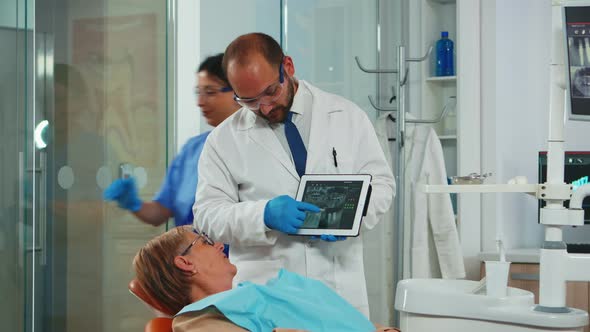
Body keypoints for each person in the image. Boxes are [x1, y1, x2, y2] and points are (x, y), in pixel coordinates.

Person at [193, 33, 395, 315]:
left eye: (270, 93)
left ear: (287, 67)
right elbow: (207, 215)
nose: (264, 107)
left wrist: (352, 215)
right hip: (266, 297)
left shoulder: (346, 116)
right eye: (248, 100)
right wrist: (264, 215)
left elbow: (383, 184)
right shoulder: (223, 140)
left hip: (338, 289)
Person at [133, 226, 400, 332]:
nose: (218, 246)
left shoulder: (257, 296)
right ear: (185, 262)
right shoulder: (200, 321)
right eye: (205, 241)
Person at [103, 53, 240, 227]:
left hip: (231, 254)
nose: (200, 102)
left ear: (238, 92)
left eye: (210, 92)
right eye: (198, 92)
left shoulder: (255, 147)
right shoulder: (192, 150)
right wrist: (134, 203)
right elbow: (161, 212)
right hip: (189, 253)